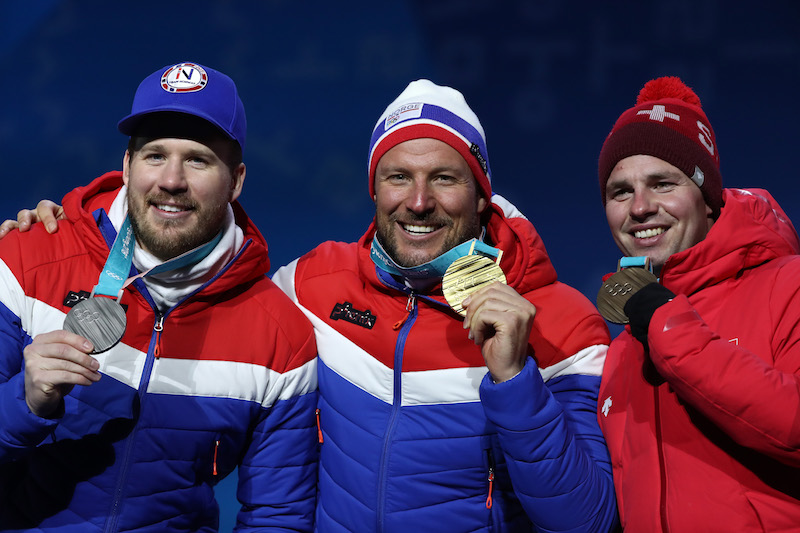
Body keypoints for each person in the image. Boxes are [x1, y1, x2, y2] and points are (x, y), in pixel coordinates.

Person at [9, 80, 619, 532]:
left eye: (446, 178)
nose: (419, 201)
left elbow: (586, 523)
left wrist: (514, 379)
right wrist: (59, 233)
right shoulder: (309, 288)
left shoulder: (561, 323)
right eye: (398, 177)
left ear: (483, 196)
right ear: (374, 190)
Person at [0, 62, 318, 532]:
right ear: (127, 167)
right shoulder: (27, 260)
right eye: (154, 155)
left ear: (236, 180)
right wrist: (24, 404)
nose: (171, 180)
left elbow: (279, 516)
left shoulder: (280, 337)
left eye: (197, 159)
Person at [596, 76, 800, 531]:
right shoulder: (624, 348)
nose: (641, 208)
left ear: (707, 199)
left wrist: (669, 326)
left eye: (663, 184)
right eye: (621, 191)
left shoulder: (789, 286)